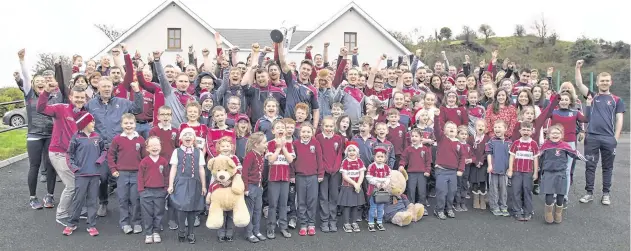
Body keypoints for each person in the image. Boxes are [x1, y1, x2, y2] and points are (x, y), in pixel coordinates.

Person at [85, 77, 144, 217]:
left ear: (112, 87)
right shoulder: (90, 105)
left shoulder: (122, 103)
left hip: (122, 147)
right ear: (98, 88)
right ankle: (103, 202)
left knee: (126, 178)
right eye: (103, 86)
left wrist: (137, 92)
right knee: (103, 177)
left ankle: (130, 204)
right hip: (102, 149)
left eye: (108, 86)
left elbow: (138, 108)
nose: (106, 89)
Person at [574, 60, 625, 205]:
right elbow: (579, 84)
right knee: (590, 165)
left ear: (611, 82)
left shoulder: (617, 100)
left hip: (609, 138)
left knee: (608, 167)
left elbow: (619, 118)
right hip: (592, 138)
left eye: (607, 81)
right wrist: (577, 68)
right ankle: (589, 192)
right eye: (602, 80)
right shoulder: (592, 96)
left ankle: (606, 194)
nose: (604, 83)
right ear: (597, 83)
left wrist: (615, 137)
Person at [37, 86, 87, 226]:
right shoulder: (60, 108)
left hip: (73, 155)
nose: (79, 100)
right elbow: (41, 108)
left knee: (81, 182)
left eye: (82, 97)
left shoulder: (83, 114)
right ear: (70, 97)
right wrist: (46, 92)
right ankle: (61, 214)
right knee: (72, 185)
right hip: (58, 153)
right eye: (76, 97)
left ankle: (78, 210)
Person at [18, 49, 57, 209]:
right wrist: (22, 60)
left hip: (50, 135)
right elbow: (26, 77)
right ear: (32, 85)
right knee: (34, 165)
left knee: (50, 165)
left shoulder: (53, 96)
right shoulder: (29, 95)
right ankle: (33, 197)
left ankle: (50, 196)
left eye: (43, 81)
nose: (40, 82)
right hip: (34, 135)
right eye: (37, 81)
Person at [63, 112, 105, 236]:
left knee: (92, 200)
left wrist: (99, 161)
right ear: (84, 123)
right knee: (78, 199)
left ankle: (91, 224)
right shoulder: (76, 138)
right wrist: (74, 168)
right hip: (81, 175)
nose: (94, 123)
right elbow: (69, 154)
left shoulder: (97, 137)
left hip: (94, 174)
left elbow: (104, 150)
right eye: (91, 121)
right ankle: (72, 223)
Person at [539, 125, 586, 224]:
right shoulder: (545, 146)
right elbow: (538, 156)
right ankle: (548, 213)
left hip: (561, 173)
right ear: (548, 135)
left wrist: (587, 159)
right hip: (548, 173)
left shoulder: (564, 146)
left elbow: (574, 153)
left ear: (561, 135)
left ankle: (558, 213)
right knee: (549, 194)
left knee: (561, 194)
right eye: (553, 133)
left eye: (557, 133)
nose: (555, 135)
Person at [108, 113, 147, 234]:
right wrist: (113, 169)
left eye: (131, 123)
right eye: (126, 123)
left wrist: (144, 173)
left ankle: (136, 222)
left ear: (135, 125)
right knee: (123, 199)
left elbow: (145, 158)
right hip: (122, 174)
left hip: (136, 174)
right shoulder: (117, 139)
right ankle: (124, 223)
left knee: (135, 199)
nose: (128, 126)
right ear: (121, 125)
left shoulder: (140, 140)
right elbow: (110, 155)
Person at [168, 127, 207, 244]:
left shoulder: (198, 152)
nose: (188, 137)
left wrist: (204, 185)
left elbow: (201, 169)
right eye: (185, 135)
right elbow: (173, 168)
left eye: (190, 135)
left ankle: (190, 232)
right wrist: (171, 184)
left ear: (194, 138)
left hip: (194, 182)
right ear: (181, 138)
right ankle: (181, 231)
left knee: (192, 209)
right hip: (181, 182)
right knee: (182, 207)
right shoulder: (177, 151)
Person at [148, 105, 180, 230]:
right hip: (158, 166)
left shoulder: (175, 131)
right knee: (159, 194)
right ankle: (158, 220)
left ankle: (171, 219)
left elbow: (177, 147)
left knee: (172, 192)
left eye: (168, 114)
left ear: (171, 116)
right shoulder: (154, 131)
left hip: (172, 167)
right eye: (163, 114)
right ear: (158, 117)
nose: (165, 117)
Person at [291, 123, 323, 236]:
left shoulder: (315, 143)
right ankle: (303, 224)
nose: (306, 134)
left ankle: (311, 224)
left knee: (312, 200)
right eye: (303, 132)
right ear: (299, 133)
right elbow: (292, 161)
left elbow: (319, 159)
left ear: (312, 133)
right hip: (300, 177)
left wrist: (320, 174)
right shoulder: (295, 144)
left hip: (313, 176)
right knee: (301, 201)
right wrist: (292, 175)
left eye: (308, 132)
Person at [433, 110, 465, 220]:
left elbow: (462, 158)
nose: (451, 128)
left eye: (454, 127)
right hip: (441, 171)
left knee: (452, 192)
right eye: (448, 127)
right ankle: (439, 210)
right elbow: (436, 128)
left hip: (453, 172)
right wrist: (436, 116)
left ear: (457, 131)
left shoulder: (459, 144)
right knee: (442, 192)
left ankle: (449, 208)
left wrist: (460, 169)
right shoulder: (442, 139)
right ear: (444, 130)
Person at [265, 120, 295, 239]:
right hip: (273, 178)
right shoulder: (269, 144)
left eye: (283, 127)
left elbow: (290, 160)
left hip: (285, 178)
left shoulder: (289, 144)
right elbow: (271, 160)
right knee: (273, 204)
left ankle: (283, 226)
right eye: (278, 128)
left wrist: (284, 147)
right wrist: (278, 148)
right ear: (273, 131)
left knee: (283, 204)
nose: (281, 129)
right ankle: (271, 227)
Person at [315, 116, 345, 232]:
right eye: (326, 126)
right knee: (323, 196)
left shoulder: (338, 138)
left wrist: (335, 167)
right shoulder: (318, 138)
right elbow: (319, 155)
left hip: (335, 172)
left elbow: (339, 155)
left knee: (334, 196)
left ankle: (333, 221)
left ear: (334, 127)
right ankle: (324, 221)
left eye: (331, 126)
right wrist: (325, 168)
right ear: (322, 126)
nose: (328, 128)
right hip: (323, 171)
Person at [137, 137, 169, 244]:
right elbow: (140, 177)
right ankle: (148, 233)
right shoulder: (144, 162)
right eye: (152, 145)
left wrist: (165, 188)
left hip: (160, 191)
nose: (154, 147)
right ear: (147, 148)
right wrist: (141, 191)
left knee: (158, 213)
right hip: (146, 192)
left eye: (157, 145)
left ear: (160, 147)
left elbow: (166, 176)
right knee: (147, 213)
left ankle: (156, 232)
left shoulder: (163, 161)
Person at [507, 121, 539, 221]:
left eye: (528, 130)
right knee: (516, 191)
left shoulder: (533, 144)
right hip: (517, 171)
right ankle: (517, 211)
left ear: (532, 131)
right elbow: (512, 157)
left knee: (527, 191)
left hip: (528, 172)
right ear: (520, 131)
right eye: (524, 129)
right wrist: (511, 170)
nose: (526, 131)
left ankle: (528, 211)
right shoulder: (516, 143)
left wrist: (535, 172)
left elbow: (535, 159)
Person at [242, 132, 268, 243]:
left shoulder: (261, 155)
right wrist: (246, 188)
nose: (266, 144)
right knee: (250, 211)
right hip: (250, 187)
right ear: (256, 144)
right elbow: (244, 173)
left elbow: (260, 173)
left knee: (258, 210)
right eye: (264, 142)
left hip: (258, 187)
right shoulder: (250, 156)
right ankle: (249, 233)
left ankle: (256, 231)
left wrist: (261, 185)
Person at [399, 128, 432, 208]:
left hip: (422, 174)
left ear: (421, 138)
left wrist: (428, 170)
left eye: (416, 136)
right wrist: (401, 165)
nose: (413, 138)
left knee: (422, 191)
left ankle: (421, 207)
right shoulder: (408, 149)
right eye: (412, 136)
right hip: (411, 173)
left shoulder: (425, 149)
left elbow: (428, 161)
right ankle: (411, 207)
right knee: (411, 190)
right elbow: (403, 159)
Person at [338, 141, 366, 233]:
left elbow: (362, 174)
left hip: (357, 187)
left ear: (357, 152)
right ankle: (346, 223)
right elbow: (345, 176)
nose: (351, 152)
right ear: (347, 152)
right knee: (347, 206)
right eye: (349, 150)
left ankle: (354, 222)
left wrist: (358, 184)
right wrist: (354, 183)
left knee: (355, 205)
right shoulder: (345, 161)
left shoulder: (360, 161)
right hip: (347, 187)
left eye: (353, 150)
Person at [485, 120, 511, 217]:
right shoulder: (492, 141)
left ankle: (503, 206)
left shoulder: (509, 142)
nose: (497, 129)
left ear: (505, 129)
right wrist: (490, 165)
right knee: (494, 189)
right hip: (494, 170)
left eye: (499, 127)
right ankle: (494, 206)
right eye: (495, 127)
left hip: (504, 170)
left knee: (504, 189)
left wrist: (510, 168)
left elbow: (511, 156)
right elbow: (489, 154)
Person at [366, 147, 391, 232]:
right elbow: (369, 177)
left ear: (385, 158)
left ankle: (379, 222)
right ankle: (371, 223)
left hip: (383, 190)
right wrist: (376, 183)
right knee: (373, 207)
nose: (380, 158)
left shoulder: (386, 167)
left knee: (381, 208)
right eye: (378, 157)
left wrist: (385, 184)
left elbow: (388, 177)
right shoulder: (371, 166)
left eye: (382, 157)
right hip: (374, 189)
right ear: (374, 157)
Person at [469, 120, 489, 210]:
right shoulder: (470, 139)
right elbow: (469, 151)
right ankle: (476, 199)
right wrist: (476, 161)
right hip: (473, 164)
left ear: (485, 128)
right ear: (475, 127)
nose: (480, 127)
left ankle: (482, 199)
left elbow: (488, 152)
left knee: (482, 181)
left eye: (482, 126)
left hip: (483, 164)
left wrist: (481, 160)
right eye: (478, 125)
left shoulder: (487, 139)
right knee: (474, 181)